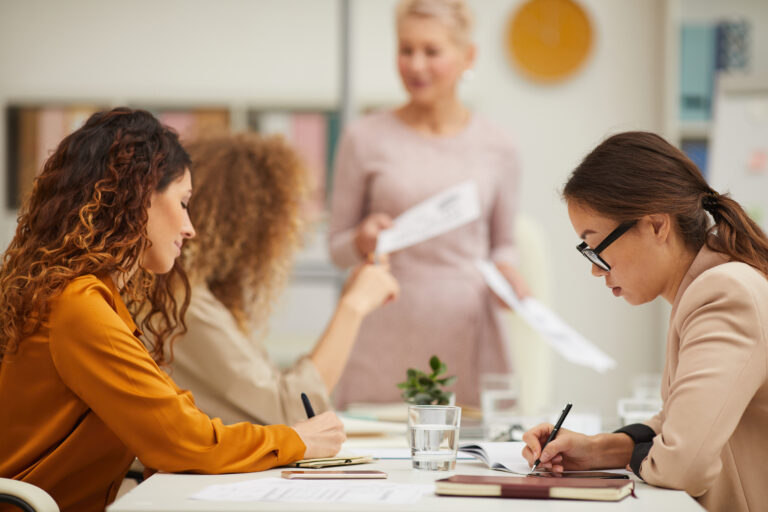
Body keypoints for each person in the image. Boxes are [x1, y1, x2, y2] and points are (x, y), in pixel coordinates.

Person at [0, 108, 345, 512]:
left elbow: (172, 420)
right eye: (182, 203)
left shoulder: (83, 296)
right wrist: (297, 440)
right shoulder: (78, 306)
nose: (190, 227)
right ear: (137, 197)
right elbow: (185, 439)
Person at [521, 132, 768, 512]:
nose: (595, 270)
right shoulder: (711, 285)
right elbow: (678, 425)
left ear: (656, 226)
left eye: (596, 246)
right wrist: (598, 449)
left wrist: (632, 455)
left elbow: (683, 465)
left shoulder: (723, 292)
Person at [328, 0, 529, 408]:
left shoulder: (499, 145)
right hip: (382, 333)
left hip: (466, 335)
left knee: (470, 460)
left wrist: (509, 271)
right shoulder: (363, 137)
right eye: (406, 50)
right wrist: (363, 239)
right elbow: (336, 248)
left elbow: (502, 242)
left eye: (431, 51)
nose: (415, 65)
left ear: (467, 56)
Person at [167, 133, 400, 426]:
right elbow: (292, 411)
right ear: (249, 225)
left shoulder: (197, 297)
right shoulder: (186, 304)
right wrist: (353, 306)